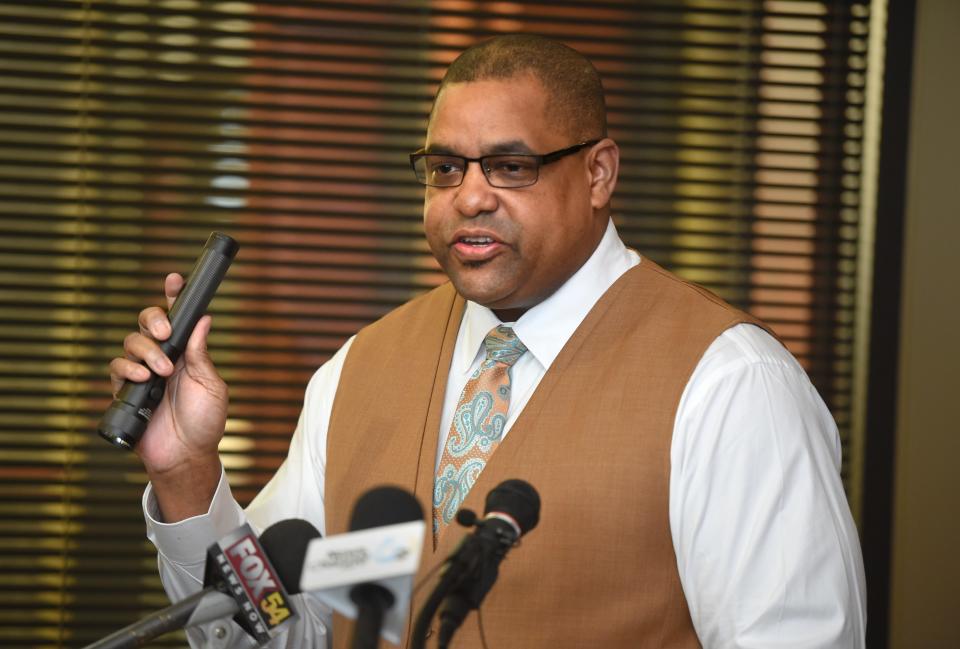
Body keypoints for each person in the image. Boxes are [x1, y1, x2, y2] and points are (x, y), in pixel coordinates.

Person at [111, 34, 866, 648]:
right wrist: (186, 475)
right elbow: (277, 628)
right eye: (445, 168)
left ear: (599, 172)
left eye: (511, 166)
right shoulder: (359, 367)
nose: (470, 195)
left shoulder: (730, 381)